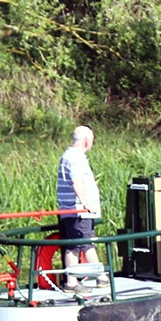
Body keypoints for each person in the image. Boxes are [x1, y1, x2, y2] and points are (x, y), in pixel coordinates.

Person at [56, 125, 105, 292]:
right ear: (86, 140)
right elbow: (77, 181)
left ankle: (82, 279)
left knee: (79, 244)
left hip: (72, 210)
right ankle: (96, 278)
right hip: (78, 211)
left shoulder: (67, 155)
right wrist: (85, 203)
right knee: (82, 243)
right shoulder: (76, 158)